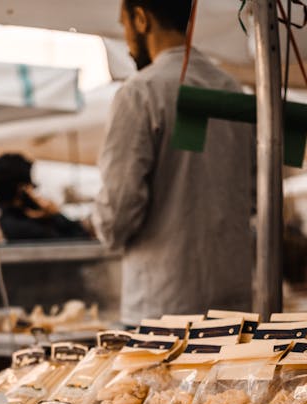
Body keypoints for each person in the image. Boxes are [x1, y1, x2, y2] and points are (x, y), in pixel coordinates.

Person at [93, 0, 254, 326]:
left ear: (140, 19)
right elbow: (251, 193)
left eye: (123, 25)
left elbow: (118, 209)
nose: (125, 40)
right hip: (232, 305)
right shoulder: (231, 89)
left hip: (163, 309)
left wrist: (101, 225)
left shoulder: (141, 92)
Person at [0, 153, 90, 242]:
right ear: (22, 189)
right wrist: (56, 214)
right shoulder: (25, 228)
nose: (34, 192)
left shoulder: (10, 222)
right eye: (31, 186)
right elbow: (82, 239)